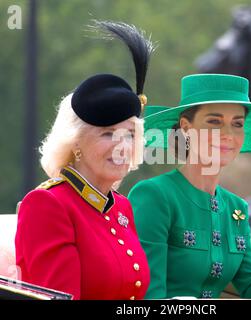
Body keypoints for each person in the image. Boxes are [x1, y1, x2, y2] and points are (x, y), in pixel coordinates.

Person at [128, 73, 251, 299]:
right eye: (214, 122)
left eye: (237, 124)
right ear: (186, 128)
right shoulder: (155, 196)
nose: (227, 135)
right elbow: (147, 295)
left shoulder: (236, 208)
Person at [15, 21, 155, 300]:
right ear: (75, 142)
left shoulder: (122, 207)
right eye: (107, 134)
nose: (121, 146)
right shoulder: (47, 205)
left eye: (128, 134)